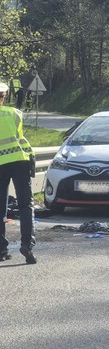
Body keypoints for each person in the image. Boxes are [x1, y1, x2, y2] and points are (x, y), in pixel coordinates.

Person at [0, 82, 37, 264]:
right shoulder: (15, 113)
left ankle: (1, 249)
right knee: (25, 205)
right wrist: (31, 157)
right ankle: (27, 245)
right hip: (19, 161)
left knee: (0, 208)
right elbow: (20, 138)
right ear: (4, 96)